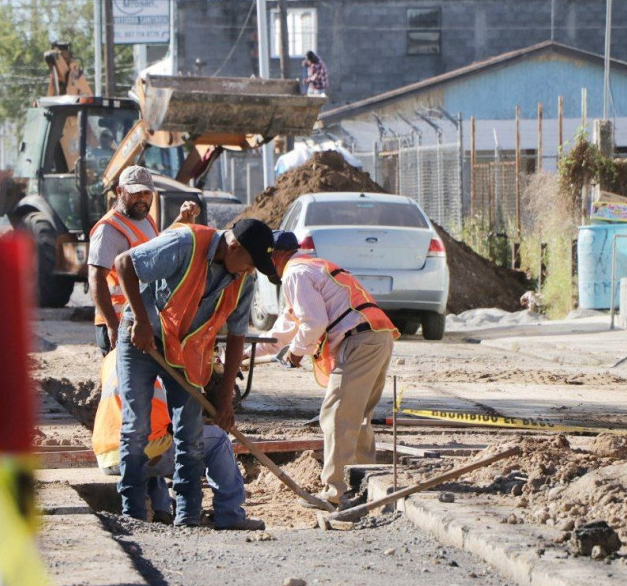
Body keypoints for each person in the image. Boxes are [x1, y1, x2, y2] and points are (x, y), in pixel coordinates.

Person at [113, 217, 279, 526]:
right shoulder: (186, 243)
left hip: (186, 352)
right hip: (142, 338)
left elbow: (236, 336)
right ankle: (133, 516)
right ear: (233, 247)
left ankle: (187, 519)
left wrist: (226, 397)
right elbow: (124, 264)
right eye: (250, 261)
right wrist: (141, 320)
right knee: (136, 428)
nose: (250, 269)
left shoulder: (244, 278)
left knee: (190, 436)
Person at [260, 231, 398, 508]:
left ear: (274, 256)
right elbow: (279, 337)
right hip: (376, 334)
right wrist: (235, 358)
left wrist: (297, 353)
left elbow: (313, 324)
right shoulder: (313, 268)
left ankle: (335, 494)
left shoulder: (295, 274)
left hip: (358, 339)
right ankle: (364, 485)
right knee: (356, 417)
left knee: (336, 414)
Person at [92, 353, 264, 529]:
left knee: (156, 433)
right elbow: (185, 424)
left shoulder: (114, 356)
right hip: (141, 453)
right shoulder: (169, 352)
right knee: (217, 439)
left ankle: (161, 511)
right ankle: (230, 516)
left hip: (106, 452)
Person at [87, 165, 161, 356]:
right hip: (118, 322)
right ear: (119, 191)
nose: (143, 199)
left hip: (143, 321)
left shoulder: (147, 221)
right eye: (136, 193)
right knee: (119, 382)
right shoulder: (108, 230)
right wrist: (113, 325)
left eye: (146, 193)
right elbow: (96, 279)